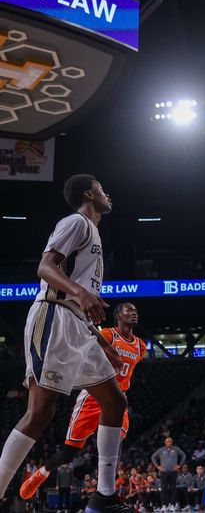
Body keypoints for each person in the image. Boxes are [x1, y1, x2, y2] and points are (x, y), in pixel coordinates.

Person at [0, 174, 134, 513]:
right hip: (54, 315)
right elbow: (45, 267)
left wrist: (104, 346)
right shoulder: (77, 221)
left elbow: (81, 297)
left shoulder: (94, 232)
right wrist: (80, 292)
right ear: (89, 193)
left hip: (77, 324)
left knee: (115, 402)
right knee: (40, 413)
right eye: (103, 188)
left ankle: (103, 498)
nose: (108, 192)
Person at [20, 303, 146, 501]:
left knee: (116, 443)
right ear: (117, 316)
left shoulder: (141, 345)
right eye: (128, 310)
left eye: (135, 310)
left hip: (118, 399)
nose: (134, 312)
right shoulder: (107, 335)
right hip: (94, 396)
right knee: (69, 453)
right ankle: (42, 472)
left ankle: (106, 491)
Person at [151, 438, 185, 512]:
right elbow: (153, 457)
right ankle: (164, 505)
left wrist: (179, 465)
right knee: (164, 489)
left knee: (173, 489)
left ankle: (173, 505)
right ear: (165, 442)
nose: (169, 443)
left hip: (173, 471)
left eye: (170, 441)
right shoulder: (161, 450)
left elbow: (183, 455)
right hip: (164, 472)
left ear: (172, 442)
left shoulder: (176, 449)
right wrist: (157, 466)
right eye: (167, 441)